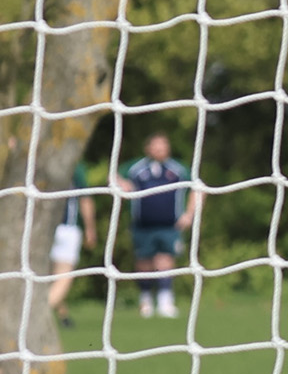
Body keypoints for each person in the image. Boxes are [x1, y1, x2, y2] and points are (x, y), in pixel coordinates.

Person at [116, 134, 201, 319]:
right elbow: (113, 176)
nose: (160, 149)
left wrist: (189, 214)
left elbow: (198, 188)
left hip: (170, 226)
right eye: (156, 145)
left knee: (166, 260)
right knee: (143, 263)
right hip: (142, 225)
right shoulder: (135, 168)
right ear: (148, 148)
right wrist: (122, 184)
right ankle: (145, 301)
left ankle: (165, 301)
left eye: (163, 145)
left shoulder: (178, 169)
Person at [46, 162, 100, 328]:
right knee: (63, 276)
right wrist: (90, 228)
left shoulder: (34, 161)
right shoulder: (74, 165)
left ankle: (63, 315)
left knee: (45, 276)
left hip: (36, 231)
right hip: (66, 228)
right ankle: (38, 314)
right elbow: (85, 199)